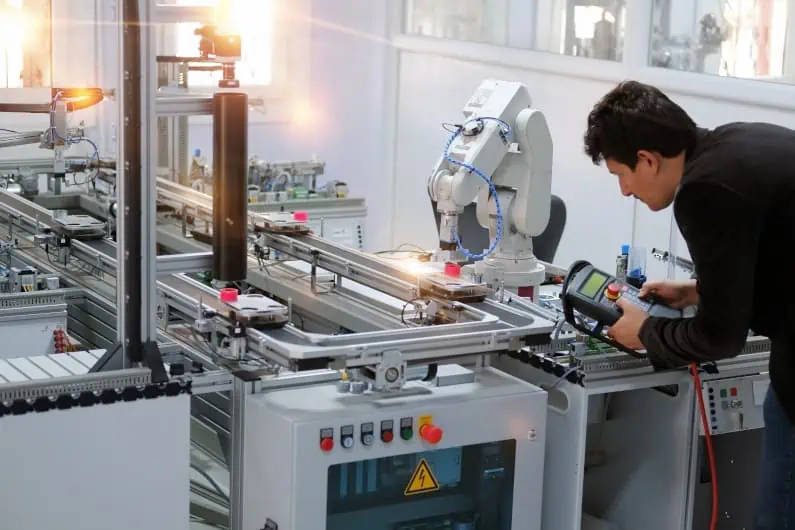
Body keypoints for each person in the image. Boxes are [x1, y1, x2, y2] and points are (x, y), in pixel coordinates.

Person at [583, 80, 795, 529]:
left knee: (781, 510)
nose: (624, 191)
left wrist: (644, 333)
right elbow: (777, 249)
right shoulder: (737, 141)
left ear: (647, 160)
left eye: (621, 174)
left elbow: (720, 337)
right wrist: (701, 290)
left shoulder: (705, 191)